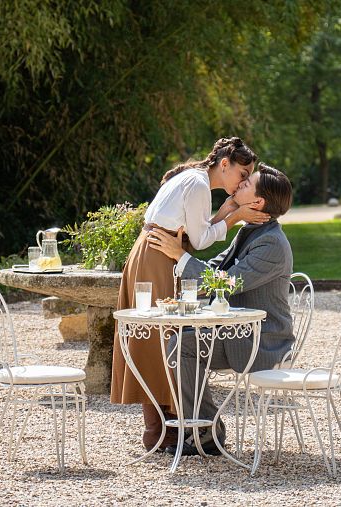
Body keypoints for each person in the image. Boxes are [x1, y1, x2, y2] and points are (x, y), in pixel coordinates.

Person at [111, 137, 269, 451]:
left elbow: (197, 229)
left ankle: (163, 429)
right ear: (225, 164)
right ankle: (163, 429)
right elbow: (198, 241)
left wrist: (225, 211)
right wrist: (236, 217)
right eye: (243, 173)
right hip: (161, 255)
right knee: (161, 338)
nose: (242, 183)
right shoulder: (197, 185)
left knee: (159, 337)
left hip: (155, 252)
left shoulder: (193, 178)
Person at [146, 163, 296, 455]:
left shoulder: (272, 244)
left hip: (262, 343)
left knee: (182, 345)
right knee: (181, 341)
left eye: (246, 183)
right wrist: (182, 259)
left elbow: (226, 283)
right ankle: (205, 431)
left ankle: (205, 433)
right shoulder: (250, 232)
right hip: (237, 334)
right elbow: (216, 267)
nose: (239, 184)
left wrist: (179, 256)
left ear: (258, 202)